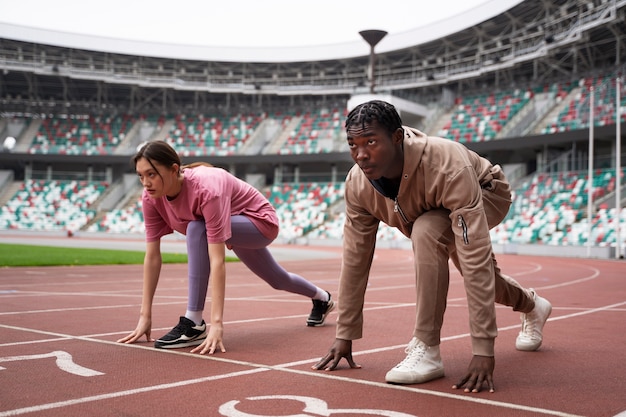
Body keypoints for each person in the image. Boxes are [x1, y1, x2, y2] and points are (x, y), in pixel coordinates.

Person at [312, 100, 552, 393]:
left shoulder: (447, 164)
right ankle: (532, 305)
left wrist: (483, 349)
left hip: (485, 191)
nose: (360, 154)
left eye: (371, 142)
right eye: (352, 144)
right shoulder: (357, 185)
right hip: (425, 206)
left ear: (397, 137)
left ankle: (427, 347)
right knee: (468, 263)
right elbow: (355, 259)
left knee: (431, 234)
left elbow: (474, 257)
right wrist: (344, 333)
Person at [117, 140, 335, 354]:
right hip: (233, 224)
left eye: (151, 174)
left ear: (174, 169)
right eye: (140, 176)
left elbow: (217, 260)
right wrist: (145, 316)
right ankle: (322, 298)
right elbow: (153, 256)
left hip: (259, 222)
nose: (145, 183)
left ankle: (193, 322)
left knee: (196, 228)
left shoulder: (206, 188)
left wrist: (217, 324)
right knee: (278, 280)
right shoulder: (151, 198)